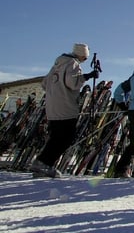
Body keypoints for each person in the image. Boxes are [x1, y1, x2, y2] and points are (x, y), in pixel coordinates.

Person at [31, 43, 100, 178]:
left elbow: (45, 83)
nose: (85, 60)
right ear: (82, 55)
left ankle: (42, 163)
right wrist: (87, 76)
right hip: (65, 106)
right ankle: (44, 163)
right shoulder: (72, 64)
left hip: (52, 106)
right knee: (66, 138)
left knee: (56, 136)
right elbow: (72, 83)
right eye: (85, 58)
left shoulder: (57, 64)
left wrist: (55, 91)